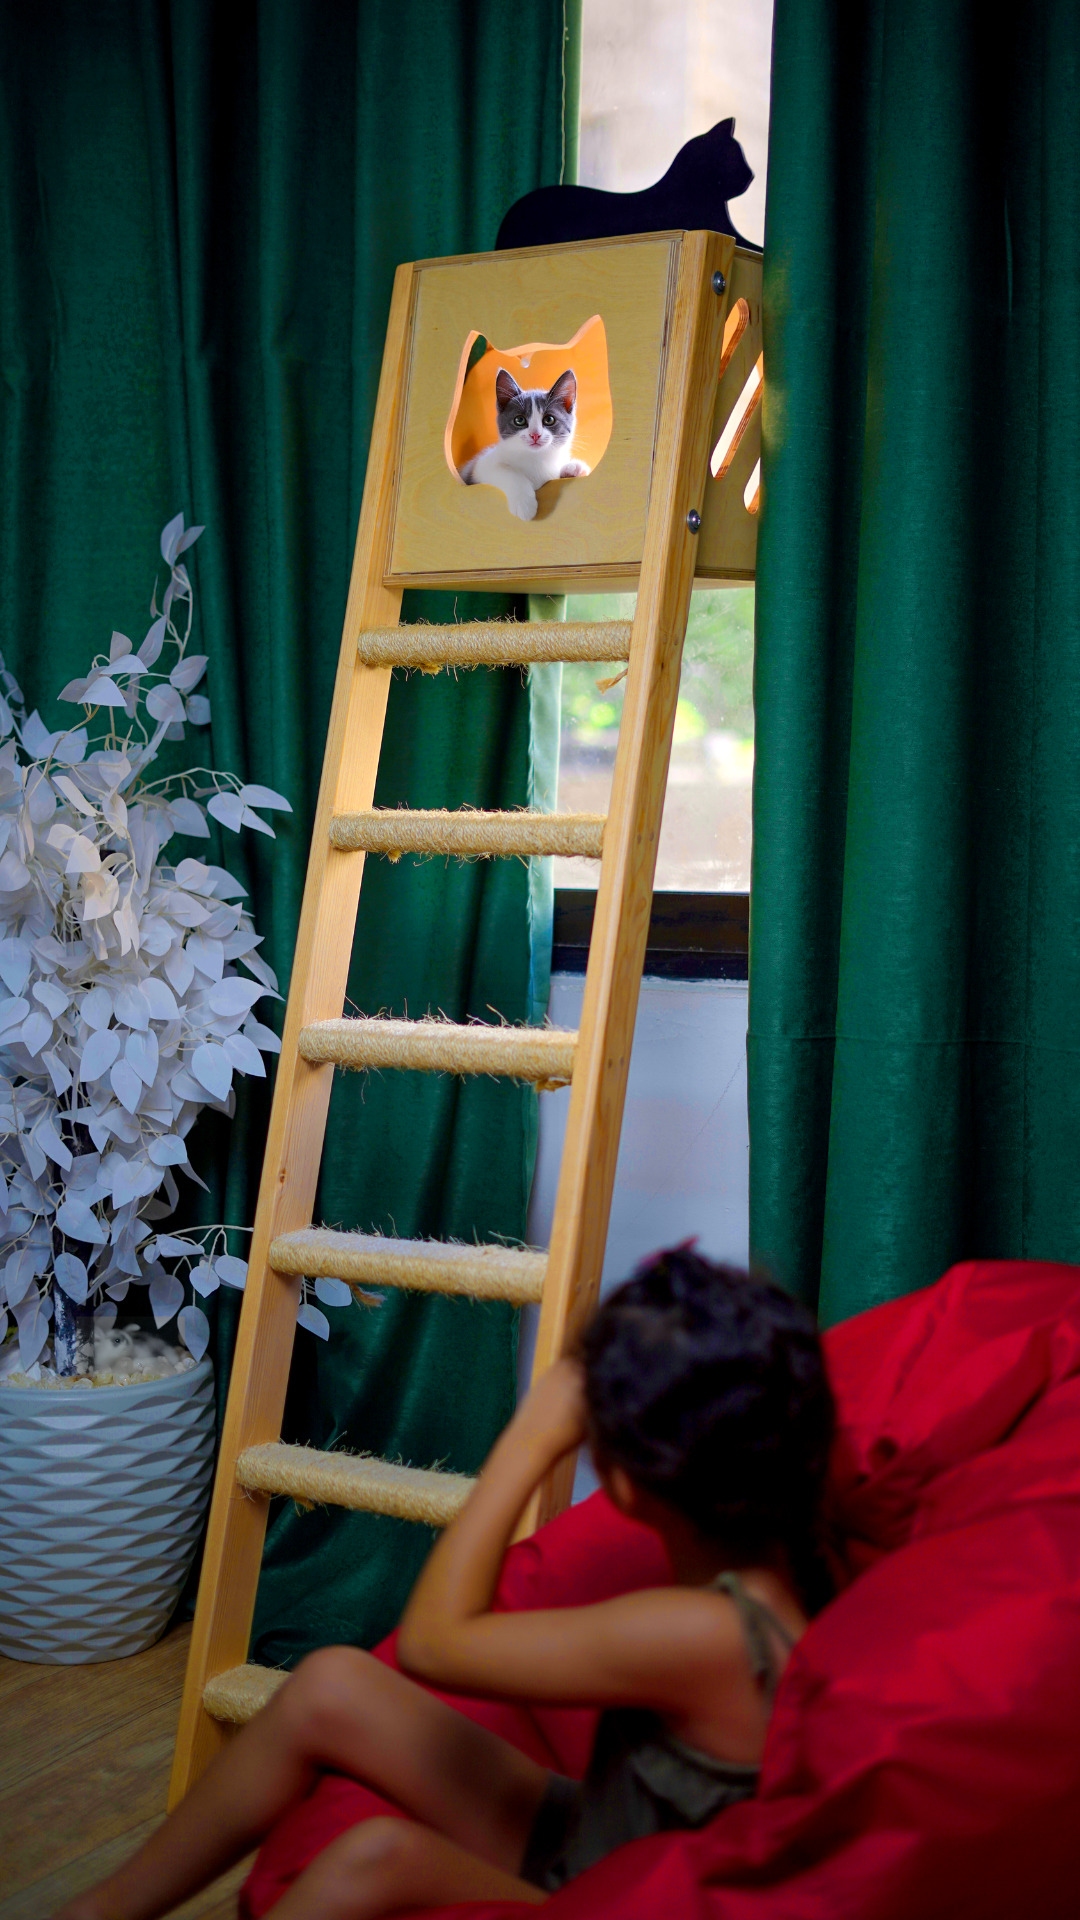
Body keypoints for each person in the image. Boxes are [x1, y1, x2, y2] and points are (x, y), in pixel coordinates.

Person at [56, 1247, 835, 1920]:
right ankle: (103, 1911)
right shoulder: (772, 1574)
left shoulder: (710, 1633)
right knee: (333, 1685)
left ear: (630, 1489)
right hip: (608, 1836)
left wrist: (534, 1432)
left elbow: (432, 1643)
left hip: (624, 1899)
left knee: (376, 1857)